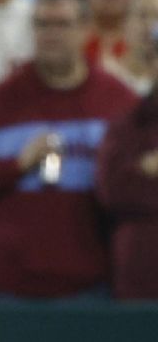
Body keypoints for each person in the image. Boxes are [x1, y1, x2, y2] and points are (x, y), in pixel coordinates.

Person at [0, 0, 138, 298]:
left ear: (85, 29)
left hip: (92, 287)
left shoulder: (118, 102)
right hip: (11, 290)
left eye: (62, 24)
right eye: (42, 24)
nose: (51, 34)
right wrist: (17, 164)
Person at [97, 23, 158, 299]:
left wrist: (145, 171)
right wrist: (136, 174)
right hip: (141, 281)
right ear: (150, 63)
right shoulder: (127, 126)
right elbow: (113, 192)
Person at [103, 0, 158, 94]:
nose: (150, 25)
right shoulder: (107, 73)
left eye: (157, 17)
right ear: (124, 23)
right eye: (143, 15)